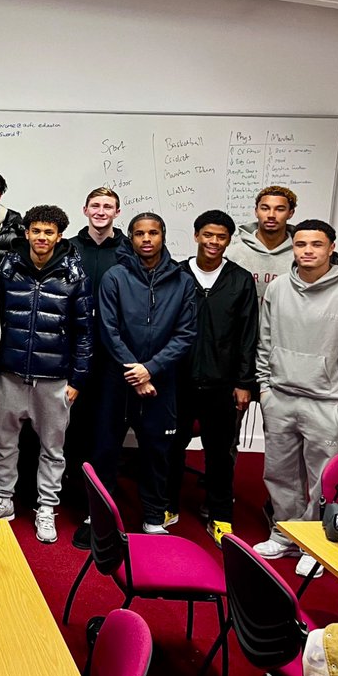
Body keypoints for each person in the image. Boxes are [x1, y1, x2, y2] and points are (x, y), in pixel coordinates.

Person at [254, 220, 338, 577]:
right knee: (279, 473)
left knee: (323, 480)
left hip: (327, 403)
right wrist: (265, 388)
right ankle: (284, 534)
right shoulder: (278, 289)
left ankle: (315, 544)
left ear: (331, 248)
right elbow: (265, 340)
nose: (307, 251)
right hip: (280, 397)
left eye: (316, 244)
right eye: (301, 244)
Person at [0, 205, 92, 543]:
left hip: (54, 379)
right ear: (27, 233)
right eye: (37, 231)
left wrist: (77, 380)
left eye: (49, 232)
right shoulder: (7, 269)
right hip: (10, 373)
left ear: (59, 237)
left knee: (52, 450)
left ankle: (46, 507)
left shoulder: (74, 276)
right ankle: (3, 499)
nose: (42, 237)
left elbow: (84, 332)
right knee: (3, 444)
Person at [93, 213, 197, 534]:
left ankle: (153, 516)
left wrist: (149, 369)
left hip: (160, 380)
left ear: (163, 236)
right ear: (131, 238)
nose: (147, 239)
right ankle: (100, 516)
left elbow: (185, 334)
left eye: (153, 233)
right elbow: (108, 329)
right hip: (118, 379)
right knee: (105, 449)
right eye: (140, 233)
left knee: (157, 452)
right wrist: (135, 371)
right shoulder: (115, 276)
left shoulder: (182, 281)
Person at [164, 210, 258, 547]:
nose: (213, 242)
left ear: (229, 240)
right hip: (178, 381)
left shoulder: (240, 280)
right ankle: (167, 506)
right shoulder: (175, 274)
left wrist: (245, 382)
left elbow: (248, 335)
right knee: (171, 448)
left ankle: (220, 515)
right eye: (208, 235)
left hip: (222, 384)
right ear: (196, 236)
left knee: (220, 454)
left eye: (221, 237)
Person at [68, 187, 126, 545]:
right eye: (95, 206)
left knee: (105, 432)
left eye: (108, 206)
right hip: (72, 352)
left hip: (111, 355)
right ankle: (69, 497)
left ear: (117, 212)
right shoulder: (69, 248)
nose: (101, 211)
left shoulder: (127, 251)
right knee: (71, 429)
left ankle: (98, 511)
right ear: (85, 209)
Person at [227, 185, 297, 301]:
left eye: (280, 209)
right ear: (256, 211)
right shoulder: (232, 254)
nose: (271, 215)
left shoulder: (299, 256)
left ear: (290, 213)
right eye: (265, 208)